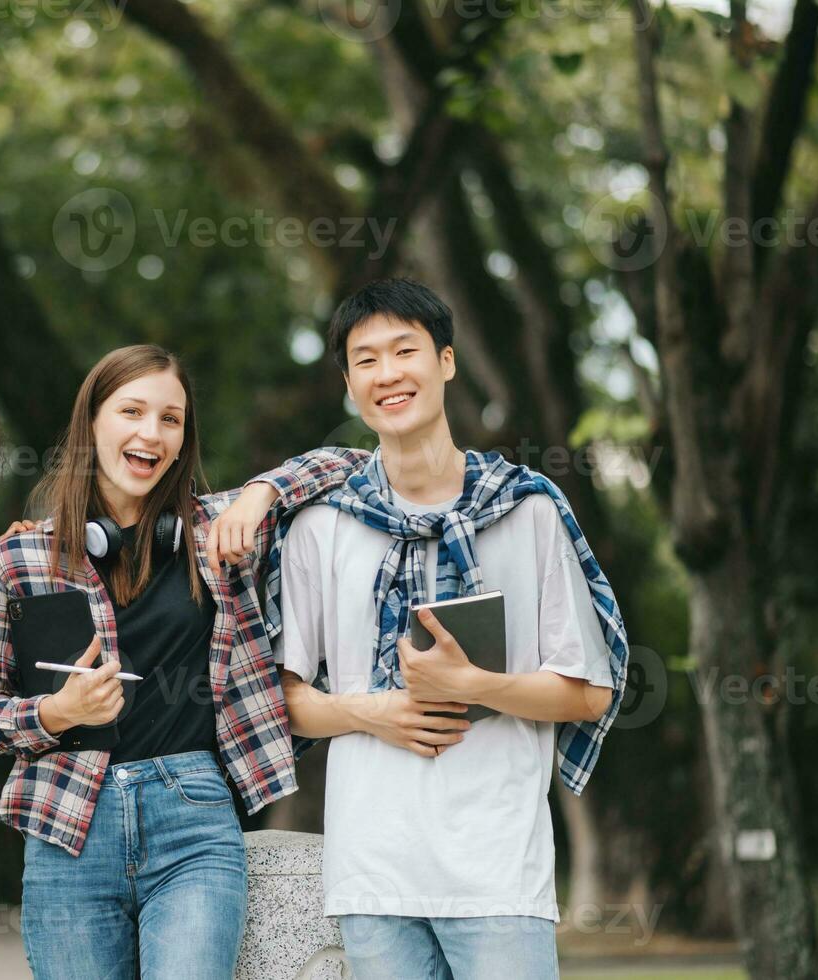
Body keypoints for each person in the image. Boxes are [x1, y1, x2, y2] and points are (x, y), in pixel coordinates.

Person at [0, 344, 366, 979]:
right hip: (67, 823)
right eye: (132, 411)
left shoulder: (218, 533)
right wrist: (55, 713)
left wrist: (259, 494)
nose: (151, 433)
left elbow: (355, 465)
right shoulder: (17, 561)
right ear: (90, 422)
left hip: (194, 820)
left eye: (170, 419)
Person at [268, 278, 628, 980]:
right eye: (365, 360)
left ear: (447, 362)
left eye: (406, 350)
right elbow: (285, 703)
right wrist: (376, 712)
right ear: (348, 384)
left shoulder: (527, 513)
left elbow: (588, 693)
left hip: (497, 867)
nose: (388, 373)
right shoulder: (320, 526)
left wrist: (475, 685)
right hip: (372, 871)